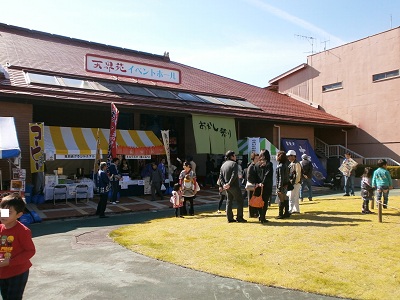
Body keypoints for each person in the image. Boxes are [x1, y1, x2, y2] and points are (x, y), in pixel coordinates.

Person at [0, 194, 36, 300]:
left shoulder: (23, 231)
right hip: (2, 272)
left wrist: (10, 262)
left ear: (19, 215)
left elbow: (30, 251)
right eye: (2, 211)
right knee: (5, 296)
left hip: (18, 272)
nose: (4, 215)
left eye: (9, 213)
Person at [218, 150, 247, 223]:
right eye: (234, 155)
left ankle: (229, 218)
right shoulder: (234, 164)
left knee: (229, 201)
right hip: (234, 186)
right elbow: (234, 175)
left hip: (227, 187)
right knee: (240, 200)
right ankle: (239, 217)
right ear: (231, 156)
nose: (235, 157)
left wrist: (224, 184)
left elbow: (220, 176)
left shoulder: (223, 165)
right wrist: (229, 183)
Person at [255, 149, 274, 224]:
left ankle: (260, 215)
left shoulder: (257, 164)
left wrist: (257, 183)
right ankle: (263, 216)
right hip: (267, 185)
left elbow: (255, 174)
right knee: (265, 201)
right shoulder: (269, 164)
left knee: (259, 200)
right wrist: (263, 182)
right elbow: (268, 174)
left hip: (258, 185)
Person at [276, 151, 290, 219]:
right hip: (285, 185)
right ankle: (286, 212)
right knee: (285, 198)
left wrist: (279, 187)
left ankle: (281, 214)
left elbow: (280, 177)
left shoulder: (280, 166)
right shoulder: (285, 165)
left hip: (281, 185)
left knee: (281, 199)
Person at [286, 150, 302, 214]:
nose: (288, 158)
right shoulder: (292, 163)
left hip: (295, 183)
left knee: (292, 196)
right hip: (294, 182)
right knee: (295, 196)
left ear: (293, 156)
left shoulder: (296, 163)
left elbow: (298, 174)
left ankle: (290, 210)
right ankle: (296, 209)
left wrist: (295, 182)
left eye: (289, 156)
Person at [246, 152, 260, 218]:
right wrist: (255, 183)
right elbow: (249, 177)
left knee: (255, 199)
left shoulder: (256, 166)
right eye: (256, 158)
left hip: (256, 185)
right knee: (251, 199)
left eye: (258, 158)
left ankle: (255, 213)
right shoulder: (251, 166)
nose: (257, 159)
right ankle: (252, 214)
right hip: (252, 185)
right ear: (253, 159)